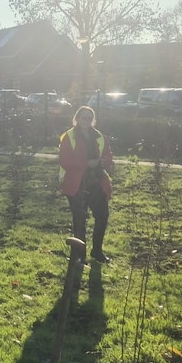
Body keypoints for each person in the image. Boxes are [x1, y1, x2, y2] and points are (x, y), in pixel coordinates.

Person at [58, 105, 114, 264]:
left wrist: (104, 161)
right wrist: (86, 164)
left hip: (96, 182)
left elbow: (109, 155)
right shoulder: (69, 136)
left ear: (93, 120)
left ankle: (97, 252)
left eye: (90, 118)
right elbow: (64, 160)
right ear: (77, 118)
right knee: (79, 220)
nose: (86, 121)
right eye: (83, 117)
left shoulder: (100, 136)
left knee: (102, 216)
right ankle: (79, 256)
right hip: (76, 184)